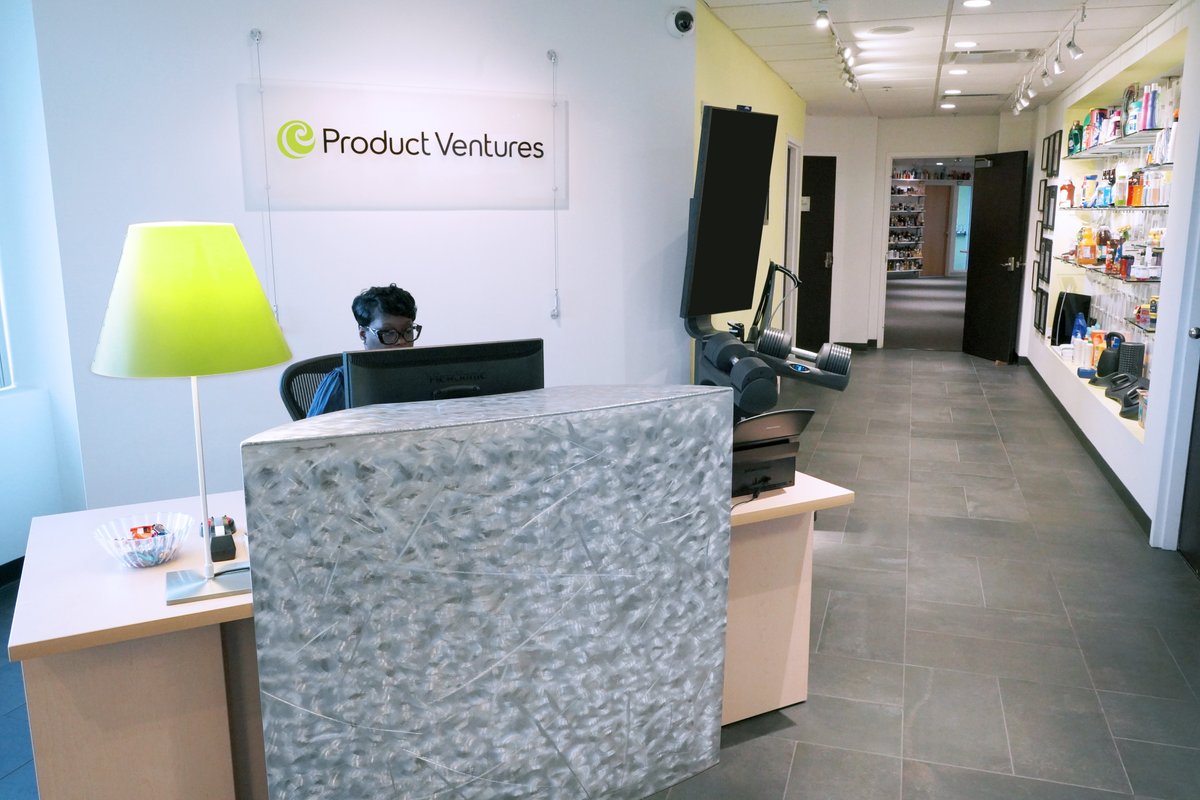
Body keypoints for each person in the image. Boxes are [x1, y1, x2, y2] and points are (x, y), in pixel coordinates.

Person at [306, 284, 421, 417]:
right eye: (388, 333)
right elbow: (315, 435)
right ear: (363, 334)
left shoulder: (423, 375)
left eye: (407, 331)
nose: (401, 341)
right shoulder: (342, 381)